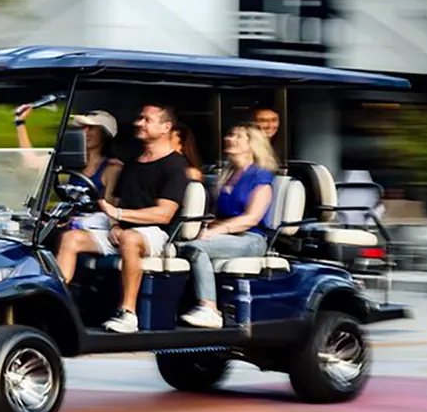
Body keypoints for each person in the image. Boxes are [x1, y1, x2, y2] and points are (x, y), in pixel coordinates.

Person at [56, 104, 190, 334]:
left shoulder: (175, 165)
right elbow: (118, 203)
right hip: (124, 228)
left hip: (155, 233)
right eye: (140, 118)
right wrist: (115, 224)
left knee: (129, 238)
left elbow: (164, 213)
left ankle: (128, 312)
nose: (139, 123)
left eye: (147, 120)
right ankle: (58, 304)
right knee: (71, 238)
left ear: (166, 127)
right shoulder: (134, 163)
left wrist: (119, 217)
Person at [178, 122, 278, 329]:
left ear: (252, 145)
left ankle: (210, 309)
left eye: (238, 136)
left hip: (251, 238)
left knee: (196, 249)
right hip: (228, 235)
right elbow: (218, 215)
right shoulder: (226, 176)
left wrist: (216, 231)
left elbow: (251, 218)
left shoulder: (260, 176)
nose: (229, 139)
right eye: (230, 135)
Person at [15, 105, 123, 202]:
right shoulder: (71, 159)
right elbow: (30, 163)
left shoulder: (112, 168)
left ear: (105, 133)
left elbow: (111, 209)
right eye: (82, 127)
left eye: (91, 128)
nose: (85, 132)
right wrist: (20, 123)